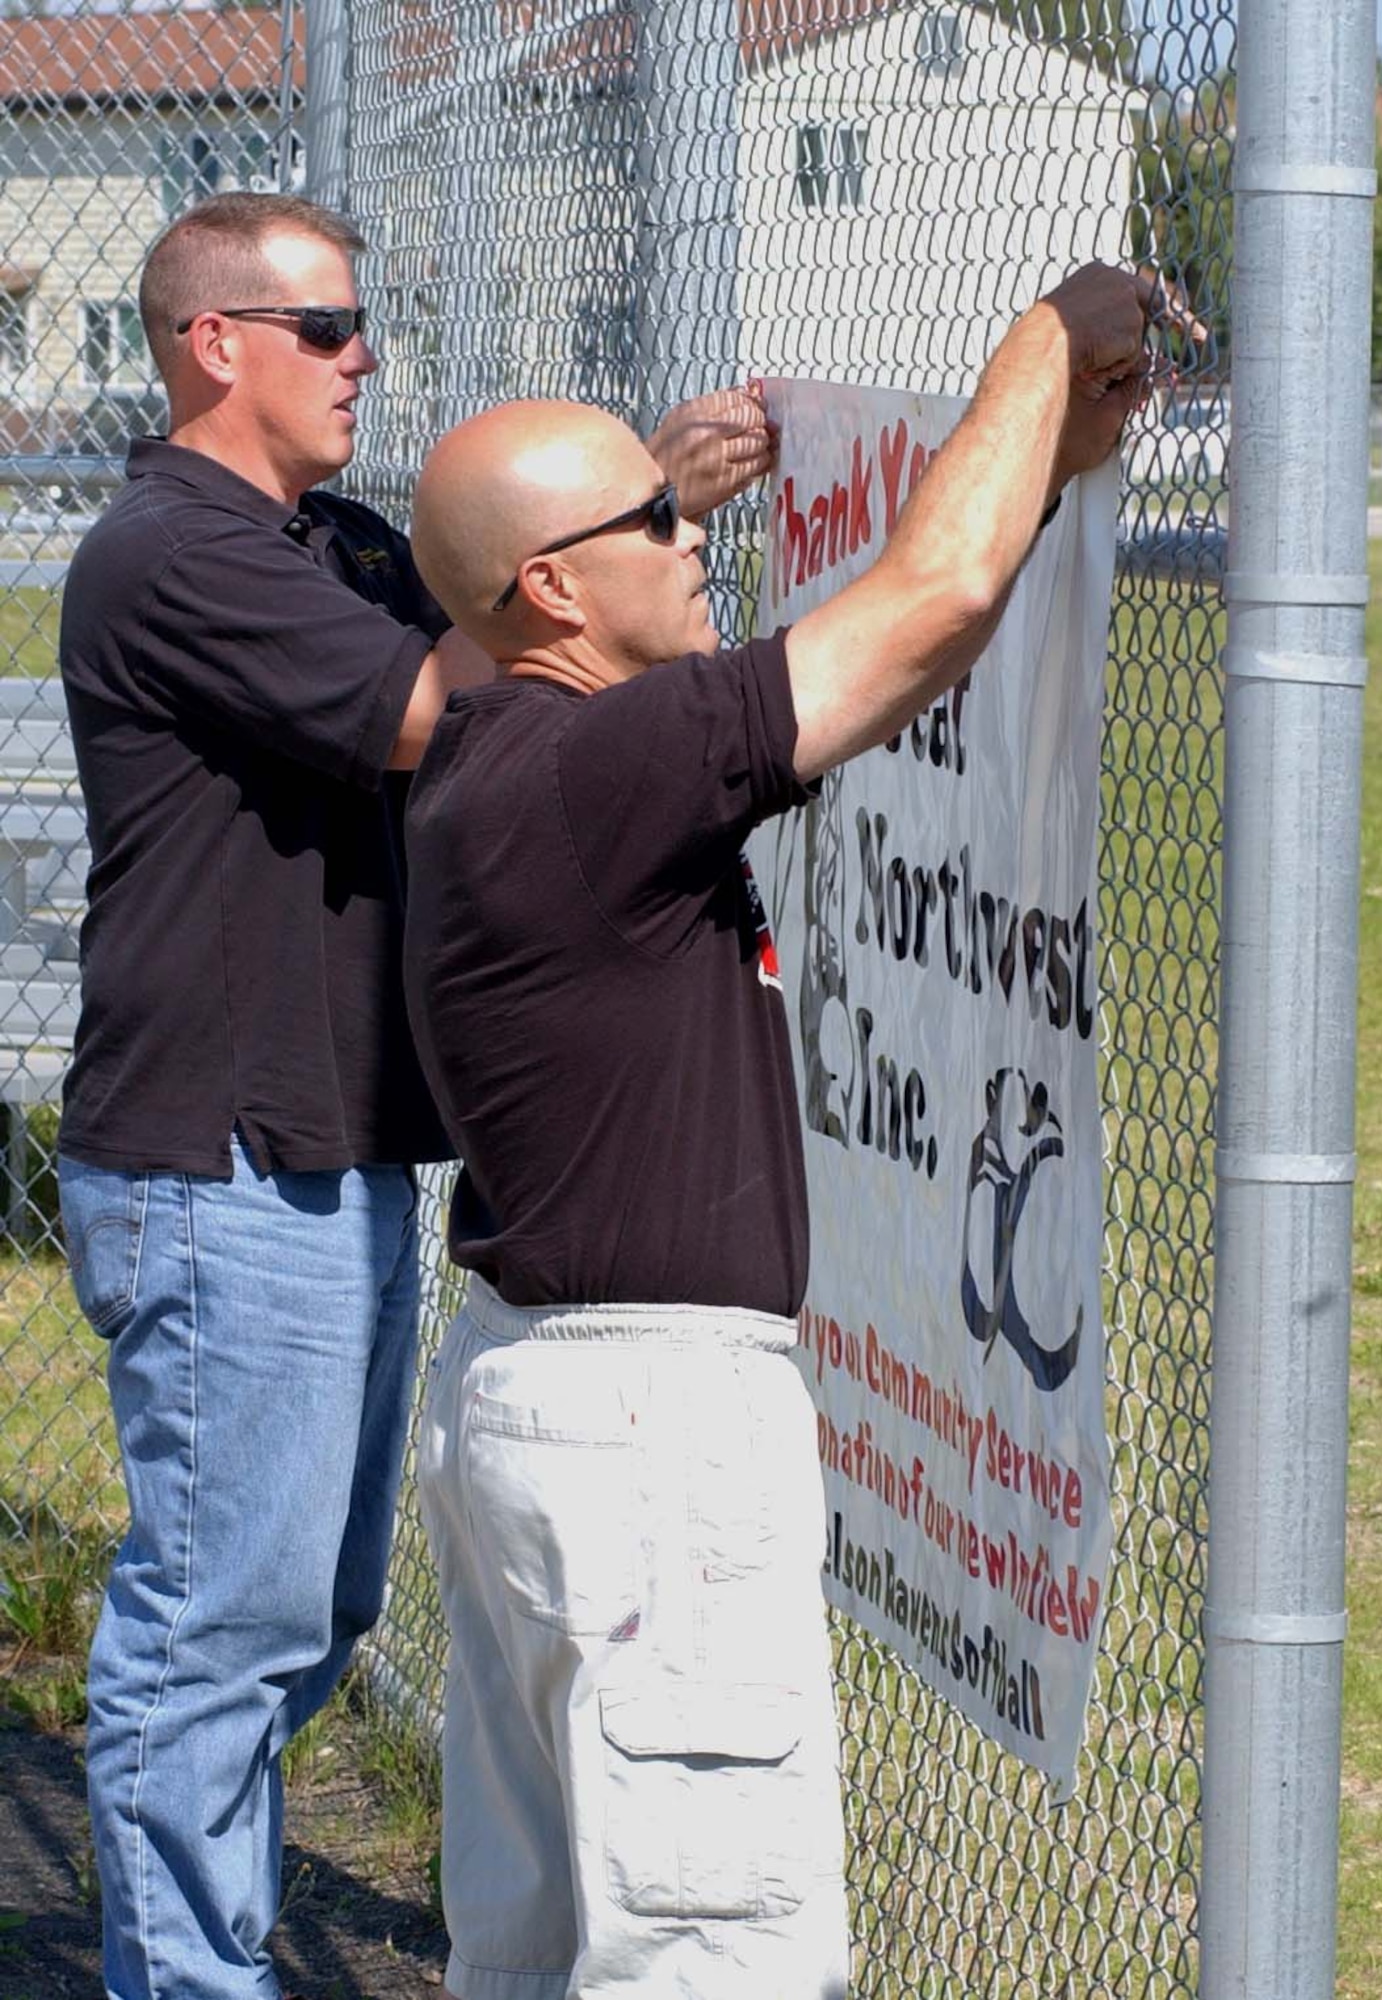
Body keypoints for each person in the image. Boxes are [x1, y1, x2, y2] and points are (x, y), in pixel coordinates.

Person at [400, 259, 1162, 2000]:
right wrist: (1042, 336)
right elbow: (931, 593)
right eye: (651, 517)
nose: (691, 535)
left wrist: (1041, 461)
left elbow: (939, 603)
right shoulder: (591, 770)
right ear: (552, 587)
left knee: (540, 1949)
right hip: (650, 1433)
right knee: (707, 1957)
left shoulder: (504, 764)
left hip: (541, 1391)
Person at [56, 189, 772, 2000]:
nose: (362, 351)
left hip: (331, 1158)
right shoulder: (172, 550)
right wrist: (642, 513)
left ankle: (199, 1948)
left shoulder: (338, 539)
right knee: (222, 1631)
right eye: (326, 327)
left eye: (361, 322)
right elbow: (435, 698)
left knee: (306, 1615)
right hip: (223, 1166)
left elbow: (507, 600)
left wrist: (640, 515)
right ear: (217, 345)